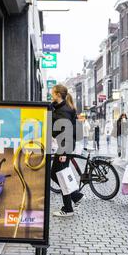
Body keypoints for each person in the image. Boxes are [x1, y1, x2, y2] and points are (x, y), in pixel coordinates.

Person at [50, 84, 84, 218]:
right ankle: (75, 196)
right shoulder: (61, 108)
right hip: (65, 147)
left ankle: (68, 207)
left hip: (65, 147)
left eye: (52, 93)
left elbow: (67, 133)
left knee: (59, 175)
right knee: (57, 175)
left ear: (58, 94)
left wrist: (63, 153)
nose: (51, 94)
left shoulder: (64, 110)